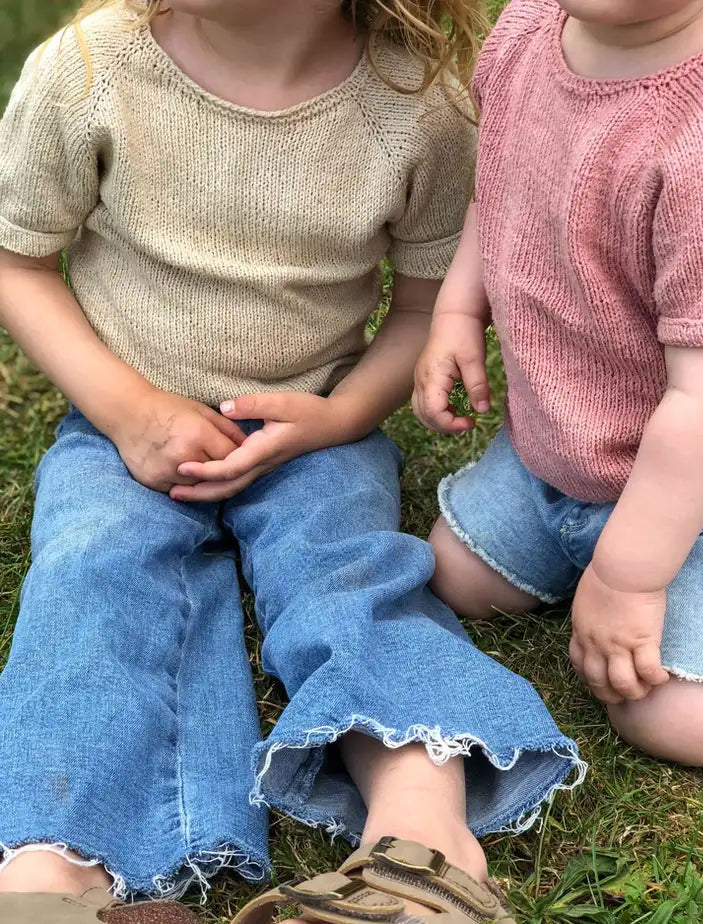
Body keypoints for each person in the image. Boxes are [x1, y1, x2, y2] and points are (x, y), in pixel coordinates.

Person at [0, 1, 585, 922]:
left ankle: (422, 845)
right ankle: (56, 870)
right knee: (91, 576)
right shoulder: (90, 70)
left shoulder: (415, 103)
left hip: (315, 421)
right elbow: (17, 261)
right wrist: (130, 412)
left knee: (347, 574)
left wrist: (338, 416)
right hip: (123, 428)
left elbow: (423, 311)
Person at [414, 0, 703, 770]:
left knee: (679, 722)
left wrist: (628, 580)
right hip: (558, 448)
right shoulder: (526, 29)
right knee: (455, 578)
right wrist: (459, 306)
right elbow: (492, 189)